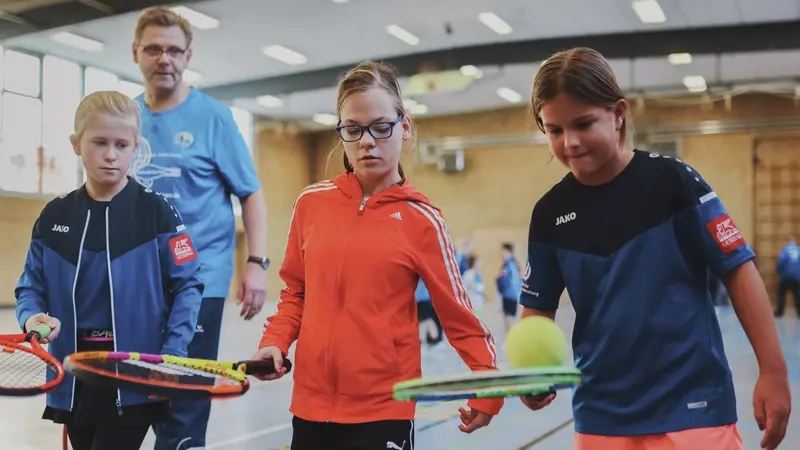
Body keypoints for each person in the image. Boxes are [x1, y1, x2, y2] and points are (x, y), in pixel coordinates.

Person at [518, 47, 791, 450]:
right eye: (554, 130)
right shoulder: (549, 214)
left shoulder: (674, 182)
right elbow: (537, 308)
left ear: (618, 113)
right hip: (602, 414)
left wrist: (773, 370)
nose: (570, 142)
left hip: (694, 406)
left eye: (583, 123)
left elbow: (737, 268)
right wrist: (532, 371)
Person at [251, 60, 503, 449]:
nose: (367, 140)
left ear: (404, 126)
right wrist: (275, 341)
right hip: (310, 408)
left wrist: (487, 387)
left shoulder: (422, 219)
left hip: (385, 412)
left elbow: (459, 314)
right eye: (353, 129)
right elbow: (296, 293)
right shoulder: (311, 204)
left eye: (380, 126)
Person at [14, 91, 204, 450]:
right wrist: (33, 317)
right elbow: (29, 287)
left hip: (135, 378)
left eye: (122, 144)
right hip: (72, 378)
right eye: (99, 142)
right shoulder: (53, 217)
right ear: (76, 144)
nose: (111, 155)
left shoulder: (158, 213)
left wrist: (172, 351)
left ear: (136, 147)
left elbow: (189, 284)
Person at [130, 7, 269, 449]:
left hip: (198, 278)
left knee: (184, 396)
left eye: (174, 50)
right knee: (134, 392)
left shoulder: (213, 117)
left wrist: (256, 263)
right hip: (135, 281)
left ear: (189, 55)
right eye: (154, 49)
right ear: (136, 53)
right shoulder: (125, 116)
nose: (164, 59)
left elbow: (251, 193)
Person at [496, 242, 522, 332]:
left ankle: (511, 339)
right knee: (507, 317)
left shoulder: (510, 264)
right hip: (509, 294)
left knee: (509, 318)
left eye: (503, 252)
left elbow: (514, 280)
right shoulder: (510, 263)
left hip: (510, 294)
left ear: (508, 252)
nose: (502, 254)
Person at [775, 237, 800, 317]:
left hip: (785, 277)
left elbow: (780, 262)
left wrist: (779, 273)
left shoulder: (785, 250)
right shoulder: (798, 250)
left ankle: (780, 312)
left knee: (781, 295)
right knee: (797, 296)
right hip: (796, 277)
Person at [462, 254, 486, 319]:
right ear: (475, 263)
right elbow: (479, 289)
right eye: (479, 262)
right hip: (475, 305)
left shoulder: (470, 274)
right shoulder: (472, 274)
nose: (481, 264)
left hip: (474, 304)